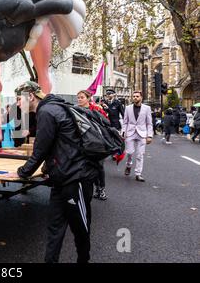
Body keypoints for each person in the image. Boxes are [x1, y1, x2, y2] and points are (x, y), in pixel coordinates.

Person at [9, 81, 101, 263]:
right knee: (54, 229)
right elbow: (57, 145)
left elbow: (40, 150)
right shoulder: (51, 109)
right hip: (61, 179)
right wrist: (46, 168)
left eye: (19, 99)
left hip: (77, 179)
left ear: (31, 97)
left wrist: (22, 172)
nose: (18, 104)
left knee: (80, 229)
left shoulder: (47, 111)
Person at [77, 90, 108, 201]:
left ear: (88, 98)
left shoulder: (97, 109)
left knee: (99, 166)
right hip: (83, 143)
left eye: (82, 97)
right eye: (78, 97)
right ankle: (88, 189)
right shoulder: (76, 110)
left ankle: (101, 189)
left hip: (97, 143)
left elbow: (105, 123)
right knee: (86, 166)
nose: (79, 99)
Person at [122, 91, 153, 182]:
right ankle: (128, 165)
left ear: (141, 98)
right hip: (130, 133)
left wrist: (150, 135)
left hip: (142, 133)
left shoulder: (147, 108)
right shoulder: (128, 108)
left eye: (137, 96)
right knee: (129, 153)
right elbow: (125, 122)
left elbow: (149, 123)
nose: (135, 97)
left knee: (140, 155)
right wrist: (123, 132)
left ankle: (138, 174)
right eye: (134, 96)